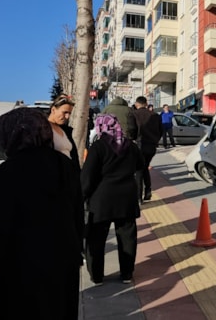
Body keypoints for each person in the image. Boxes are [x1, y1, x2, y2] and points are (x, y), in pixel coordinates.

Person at [0, 108, 83, 320]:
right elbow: (77, 217)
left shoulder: (7, 172)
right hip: (63, 268)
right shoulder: (66, 166)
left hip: (22, 274)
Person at [81, 114, 144, 285]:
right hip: (126, 198)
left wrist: (82, 196)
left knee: (96, 238)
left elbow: (88, 176)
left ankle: (97, 276)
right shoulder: (130, 146)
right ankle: (126, 274)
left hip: (102, 199)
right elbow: (140, 165)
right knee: (127, 236)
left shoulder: (98, 147)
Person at [130, 97, 163, 202]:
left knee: (139, 170)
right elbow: (161, 130)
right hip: (152, 146)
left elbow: (132, 130)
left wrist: (133, 139)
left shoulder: (134, 114)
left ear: (136, 104)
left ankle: (138, 197)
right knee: (145, 167)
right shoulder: (155, 115)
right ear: (146, 103)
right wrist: (155, 140)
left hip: (140, 145)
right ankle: (148, 191)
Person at [49, 94, 80, 164]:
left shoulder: (66, 131)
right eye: (65, 112)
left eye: (69, 113)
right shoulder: (43, 129)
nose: (67, 117)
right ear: (53, 110)